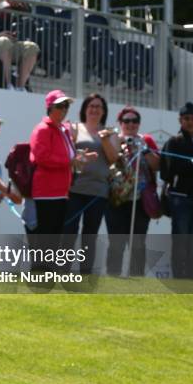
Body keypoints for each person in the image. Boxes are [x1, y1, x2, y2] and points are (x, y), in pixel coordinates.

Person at [63, 94, 116, 273]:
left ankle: (85, 273)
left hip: (99, 192)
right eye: (91, 106)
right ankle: (63, 271)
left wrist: (105, 140)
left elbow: (113, 159)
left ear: (104, 111)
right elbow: (67, 154)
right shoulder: (75, 128)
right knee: (69, 232)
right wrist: (80, 157)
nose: (94, 109)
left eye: (98, 107)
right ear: (85, 109)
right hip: (75, 189)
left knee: (90, 235)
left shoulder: (108, 132)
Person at [30, 90, 96, 235]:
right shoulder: (42, 129)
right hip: (47, 193)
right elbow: (42, 157)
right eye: (60, 105)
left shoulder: (62, 130)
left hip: (60, 193)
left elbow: (65, 155)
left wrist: (80, 157)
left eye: (66, 106)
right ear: (50, 107)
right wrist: (70, 161)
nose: (64, 109)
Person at [105, 106, 159, 277]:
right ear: (120, 123)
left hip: (140, 200)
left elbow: (157, 165)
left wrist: (144, 149)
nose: (131, 124)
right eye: (126, 121)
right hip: (116, 199)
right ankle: (113, 275)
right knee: (116, 241)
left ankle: (136, 277)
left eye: (135, 121)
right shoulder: (113, 139)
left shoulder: (146, 140)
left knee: (138, 242)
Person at [160, 102, 193, 280]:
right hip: (180, 199)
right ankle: (179, 279)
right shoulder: (174, 141)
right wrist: (192, 163)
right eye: (186, 118)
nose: (190, 122)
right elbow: (166, 172)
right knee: (180, 240)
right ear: (180, 120)